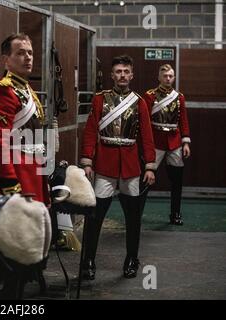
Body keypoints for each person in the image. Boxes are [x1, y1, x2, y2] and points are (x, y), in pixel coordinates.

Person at [0, 33, 50, 298]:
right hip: (15, 176)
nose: (28, 57)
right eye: (21, 52)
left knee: (25, 245)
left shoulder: (25, 89)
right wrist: (10, 183)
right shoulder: (3, 90)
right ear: (6, 60)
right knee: (11, 250)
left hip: (32, 173)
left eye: (30, 52)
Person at [79, 55, 156, 279]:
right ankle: (88, 260)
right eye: (118, 72)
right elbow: (91, 131)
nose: (122, 75)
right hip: (105, 165)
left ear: (132, 75)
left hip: (131, 167)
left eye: (126, 71)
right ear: (112, 75)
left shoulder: (139, 102)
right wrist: (87, 160)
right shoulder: (99, 99)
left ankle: (132, 258)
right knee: (95, 217)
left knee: (133, 219)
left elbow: (147, 136)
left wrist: (149, 166)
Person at [143, 64, 191, 225]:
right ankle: (137, 212)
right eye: (165, 76)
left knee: (177, 181)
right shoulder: (150, 96)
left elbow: (183, 120)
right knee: (145, 180)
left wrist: (186, 142)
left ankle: (175, 214)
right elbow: (145, 122)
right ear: (159, 77)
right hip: (156, 141)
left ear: (174, 77)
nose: (168, 78)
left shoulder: (179, 97)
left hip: (175, 142)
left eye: (171, 76)